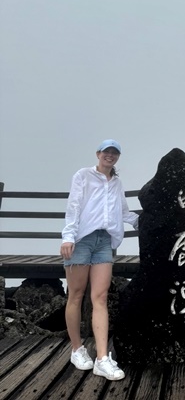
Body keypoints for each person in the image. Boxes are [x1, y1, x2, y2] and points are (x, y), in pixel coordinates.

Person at [60, 139, 139, 380]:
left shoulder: (116, 182)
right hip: (82, 239)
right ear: (98, 154)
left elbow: (124, 212)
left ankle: (103, 358)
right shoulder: (83, 175)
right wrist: (68, 236)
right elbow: (74, 206)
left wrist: (146, 221)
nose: (110, 156)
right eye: (107, 152)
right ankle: (77, 349)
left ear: (118, 157)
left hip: (104, 241)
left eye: (114, 153)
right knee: (76, 294)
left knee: (100, 297)